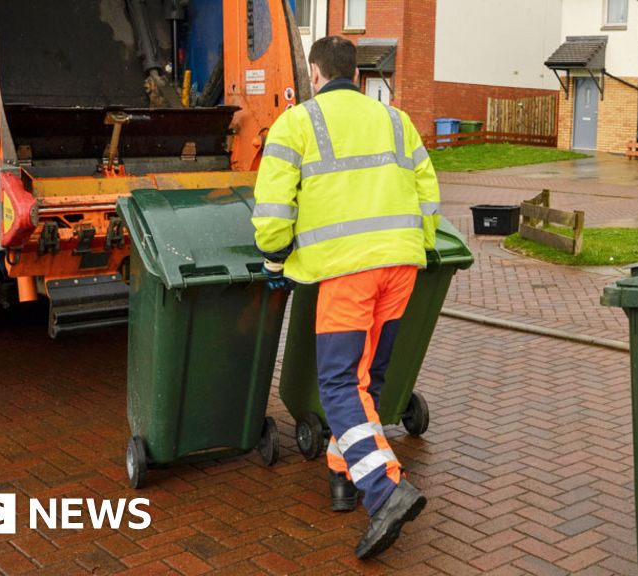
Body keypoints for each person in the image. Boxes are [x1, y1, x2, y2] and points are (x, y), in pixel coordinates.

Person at [251, 35, 441, 559]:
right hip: (401, 267)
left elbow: (272, 213)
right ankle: (343, 475)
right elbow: (429, 191)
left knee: (336, 383)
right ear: (356, 74)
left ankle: (384, 490)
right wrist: (419, 247)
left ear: (315, 75)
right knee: (368, 380)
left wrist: (273, 259)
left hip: (347, 272)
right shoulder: (397, 121)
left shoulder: (298, 122)